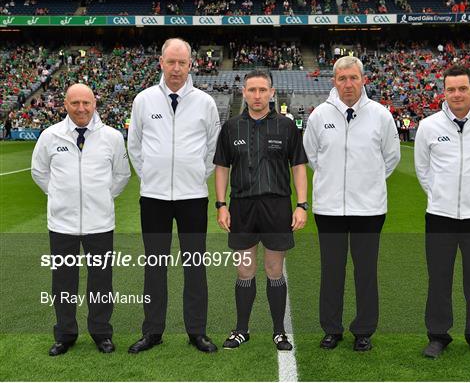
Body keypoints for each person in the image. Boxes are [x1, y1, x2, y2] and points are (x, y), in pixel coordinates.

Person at [127, 38, 221, 353]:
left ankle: (197, 332)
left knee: (195, 264)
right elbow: (135, 146)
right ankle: (153, 331)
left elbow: (212, 148)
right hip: (153, 198)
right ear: (161, 62)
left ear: (191, 64)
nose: (177, 68)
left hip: (192, 196)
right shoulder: (143, 100)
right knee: (155, 264)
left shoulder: (205, 103)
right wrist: (151, 176)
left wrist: (195, 175)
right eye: (171, 62)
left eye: (182, 63)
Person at [303, 56, 400, 352]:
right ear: (334, 81)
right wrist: (334, 181)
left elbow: (391, 157)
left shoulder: (380, 115)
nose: (348, 84)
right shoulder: (320, 115)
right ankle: (331, 329)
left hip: (369, 209)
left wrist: (367, 182)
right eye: (342, 78)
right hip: (329, 209)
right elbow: (312, 156)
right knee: (331, 270)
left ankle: (363, 330)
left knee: (366, 271)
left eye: (353, 78)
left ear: (363, 79)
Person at [414, 65, 470, 361]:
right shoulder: (429, 126)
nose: (457, 94)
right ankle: (438, 336)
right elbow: (423, 169)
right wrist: (439, 195)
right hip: (440, 215)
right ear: (444, 91)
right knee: (439, 278)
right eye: (451, 89)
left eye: (462, 88)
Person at [31, 83, 130, 356]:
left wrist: (101, 197)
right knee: (63, 283)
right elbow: (39, 172)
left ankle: (101, 333)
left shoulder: (111, 137)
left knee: (101, 282)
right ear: (65, 105)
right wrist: (61, 196)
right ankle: (65, 334)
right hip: (62, 225)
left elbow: (122, 175)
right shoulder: (50, 136)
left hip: (100, 224)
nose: (81, 108)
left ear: (94, 103)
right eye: (75, 103)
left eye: (86, 102)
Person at [213, 70, 308, 351]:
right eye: (252, 90)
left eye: (262, 90)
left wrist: (302, 205)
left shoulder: (287, 126)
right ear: (244, 92)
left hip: (277, 205)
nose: (257, 95)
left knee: (273, 268)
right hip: (242, 205)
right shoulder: (231, 127)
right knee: (245, 270)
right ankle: (242, 329)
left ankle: (279, 331)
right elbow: (222, 168)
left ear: (271, 92)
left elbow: (298, 166)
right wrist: (221, 205)